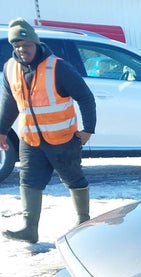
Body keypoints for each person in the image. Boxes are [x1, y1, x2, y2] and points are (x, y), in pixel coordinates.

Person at [0, 18, 96, 244]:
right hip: (30, 139)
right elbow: (10, 102)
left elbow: (85, 97)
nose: (22, 50)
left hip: (63, 138)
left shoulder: (58, 67)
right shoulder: (10, 68)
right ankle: (29, 229)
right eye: (17, 46)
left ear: (36, 44)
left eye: (27, 45)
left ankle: (84, 221)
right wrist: (2, 130)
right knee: (29, 180)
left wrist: (88, 129)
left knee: (73, 179)